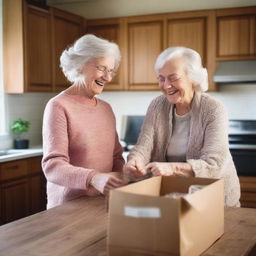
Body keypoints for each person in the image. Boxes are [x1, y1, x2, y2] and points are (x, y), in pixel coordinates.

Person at [123, 46, 240, 207]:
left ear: (193, 78)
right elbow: (143, 146)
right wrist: (134, 161)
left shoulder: (213, 109)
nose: (166, 85)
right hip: (171, 198)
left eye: (173, 78)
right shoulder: (157, 106)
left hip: (215, 201)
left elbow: (214, 165)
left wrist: (171, 168)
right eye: (161, 78)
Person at [42, 34, 126, 209]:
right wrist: (94, 178)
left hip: (103, 203)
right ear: (80, 64)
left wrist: (121, 179)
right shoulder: (58, 106)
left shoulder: (106, 109)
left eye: (111, 71)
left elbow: (116, 157)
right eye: (102, 68)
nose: (108, 78)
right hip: (69, 207)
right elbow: (53, 166)